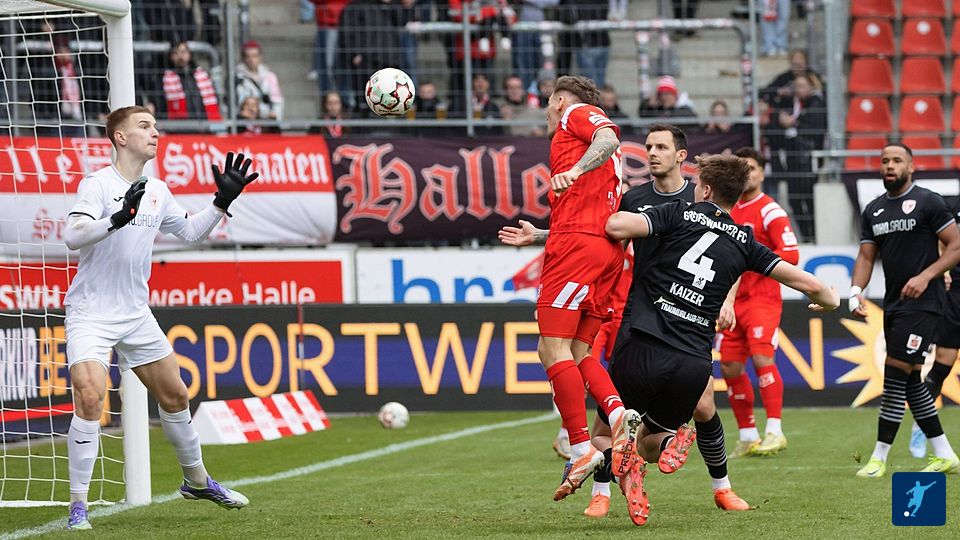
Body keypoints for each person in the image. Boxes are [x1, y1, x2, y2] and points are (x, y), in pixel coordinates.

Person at [501, 125, 751, 515]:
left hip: (689, 317)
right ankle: (601, 494)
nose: (652, 153)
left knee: (704, 403)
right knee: (610, 420)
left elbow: (733, 249)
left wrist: (729, 300)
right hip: (641, 316)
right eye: (649, 146)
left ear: (681, 156)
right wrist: (540, 236)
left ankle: (723, 487)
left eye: (661, 147)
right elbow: (596, 233)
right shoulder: (634, 198)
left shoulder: (701, 197)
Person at [604, 153, 839, 525]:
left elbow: (616, 225)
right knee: (653, 439)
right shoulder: (746, 241)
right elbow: (812, 285)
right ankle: (670, 444)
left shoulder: (678, 213)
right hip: (693, 363)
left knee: (604, 432)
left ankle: (610, 475)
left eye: (698, 184)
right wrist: (828, 301)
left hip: (645, 344)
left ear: (706, 190)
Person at [61, 106, 257, 530]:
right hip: (91, 313)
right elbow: (72, 236)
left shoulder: (157, 189)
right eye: (144, 126)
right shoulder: (97, 184)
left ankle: (197, 481)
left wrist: (221, 201)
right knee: (91, 396)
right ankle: (78, 505)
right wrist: (118, 218)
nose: (155, 132)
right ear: (120, 137)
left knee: (176, 396)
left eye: (155, 125)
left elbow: (190, 232)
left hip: (135, 313)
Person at [502, 75, 640, 503]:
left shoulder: (576, 114)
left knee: (551, 349)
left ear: (561, 100)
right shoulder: (576, 132)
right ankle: (617, 414)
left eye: (548, 102)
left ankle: (581, 448)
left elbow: (608, 138)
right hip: (601, 248)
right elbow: (589, 209)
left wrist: (575, 169)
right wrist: (542, 234)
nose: (546, 111)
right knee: (579, 352)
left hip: (577, 249)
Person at [851, 143, 960, 478]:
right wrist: (855, 292)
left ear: (911, 166)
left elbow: (956, 246)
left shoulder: (928, 201)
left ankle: (878, 458)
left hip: (925, 303)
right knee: (912, 380)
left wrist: (927, 275)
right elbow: (866, 256)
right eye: (884, 160)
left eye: (897, 160)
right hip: (894, 303)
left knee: (895, 375)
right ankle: (945, 454)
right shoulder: (874, 210)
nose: (889, 165)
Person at [718, 147, 799, 457]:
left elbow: (791, 254)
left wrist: (754, 260)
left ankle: (775, 431)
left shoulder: (770, 210)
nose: (747, 173)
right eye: (742, 168)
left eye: (752, 167)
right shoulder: (728, 209)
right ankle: (748, 435)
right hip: (731, 300)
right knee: (729, 365)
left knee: (763, 358)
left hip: (761, 298)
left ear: (762, 173)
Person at [909, 196, 960, 458]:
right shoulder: (954, 206)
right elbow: (944, 241)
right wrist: (944, 271)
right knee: (941, 366)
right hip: (956, 294)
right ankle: (921, 426)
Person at [159, 40, 222, 122]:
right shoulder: (166, 78)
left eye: (183, 52)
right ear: (171, 56)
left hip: (204, 122)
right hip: (181, 125)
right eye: (175, 53)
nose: (180, 56)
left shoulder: (201, 74)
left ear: (189, 54)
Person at [235, 40, 284, 121]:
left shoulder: (270, 76)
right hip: (244, 122)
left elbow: (277, 101)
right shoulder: (236, 78)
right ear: (243, 58)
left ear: (260, 57)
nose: (251, 60)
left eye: (254, 56)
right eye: (248, 56)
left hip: (265, 121)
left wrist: (275, 119)